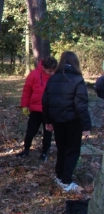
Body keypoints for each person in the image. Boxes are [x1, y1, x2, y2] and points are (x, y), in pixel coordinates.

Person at [42, 51, 91, 192]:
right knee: (72, 150)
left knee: (61, 148)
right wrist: (86, 126)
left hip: (57, 120)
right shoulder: (77, 79)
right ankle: (66, 180)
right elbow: (81, 105)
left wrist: (48, 120)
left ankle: (60, 175)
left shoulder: (53, 78)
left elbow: (46, 101)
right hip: (72, 121)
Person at [17, 57, 58, 161]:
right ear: (43, 68)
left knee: (48, 133)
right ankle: (26, 149)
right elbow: (27, 91)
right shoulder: (34, 75)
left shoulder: (56, 77)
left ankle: (45, 152)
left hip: (49, 110)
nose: (52, 73)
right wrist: (25, 105)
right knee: (31, 131)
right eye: (50, 71)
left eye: (54, 71)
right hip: (36, 110)